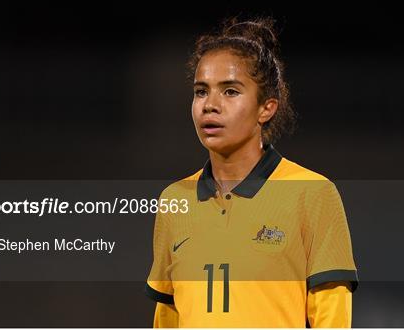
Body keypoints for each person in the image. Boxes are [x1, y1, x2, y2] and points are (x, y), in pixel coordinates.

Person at [145, 17, 358, 328]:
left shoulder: (312, 193)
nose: (210, 105)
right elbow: (167, 319)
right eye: (201, 91)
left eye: (230, 91)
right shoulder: (174, 201)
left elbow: (333, 318)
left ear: (266, 107)